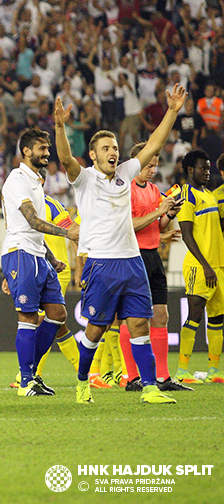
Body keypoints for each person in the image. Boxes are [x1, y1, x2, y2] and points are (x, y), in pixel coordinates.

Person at [53, 84, 188, 405]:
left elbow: (155, 143)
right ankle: (83, 382)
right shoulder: (83, 178)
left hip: (132, 261)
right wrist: (60, 126)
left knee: (141, 323)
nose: (113, 152)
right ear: (93, 154)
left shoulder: (126, 173)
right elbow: (64, 158)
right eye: (105, 148)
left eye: (114, 147)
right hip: (102, 264)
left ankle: (150, 388)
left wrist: (172, 110)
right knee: (96, 332)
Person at [0, 128, 79, 396]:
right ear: (26, 152)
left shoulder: (35, 182)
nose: (47, 153)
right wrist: (68, 232)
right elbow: (32, 222)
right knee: (29, 317)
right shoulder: (17, 179)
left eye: (47, 148)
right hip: (21, 252)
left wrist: (52, 257)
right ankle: (26, 380)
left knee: (58, 314)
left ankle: (30, 374)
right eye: (42, 148)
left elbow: (33, 228)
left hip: (35, 254)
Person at [116, 143, 191, 392]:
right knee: (130, 319)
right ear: (136, 162)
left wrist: (168, 215)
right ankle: (132, 377)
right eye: (149, 165)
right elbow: (128, 225)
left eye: (155, 164)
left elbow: (157, 228)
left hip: (153, 255)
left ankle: (162, 376)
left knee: (161, 316)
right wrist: (159, 210)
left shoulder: (153, 189)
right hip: (132, 256)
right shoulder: (124, 190)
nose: (153, 169)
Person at [174, 149, 224, 384]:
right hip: (199, 266)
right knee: (195, 315)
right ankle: (182, 370)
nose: (207, 172)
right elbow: (187, 235)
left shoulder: (210, 195)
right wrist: (205, 265)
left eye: (208, 168)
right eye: (202, 168)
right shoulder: (187, 195)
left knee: (217, 317)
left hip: (218, 266)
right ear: (190, 169)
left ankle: (214, 370)